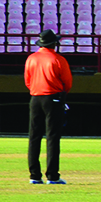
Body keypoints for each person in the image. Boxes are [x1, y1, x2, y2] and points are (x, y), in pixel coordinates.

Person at [24, 30, 73, 185]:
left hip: (35, 97)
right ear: (54, 43)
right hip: (53, 98)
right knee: (52, 137)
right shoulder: (58, 59)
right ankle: (52, 175)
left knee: (34, 136)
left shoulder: (31, 58)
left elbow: (27, 80)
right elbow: (67, 82)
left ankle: (34, 175)